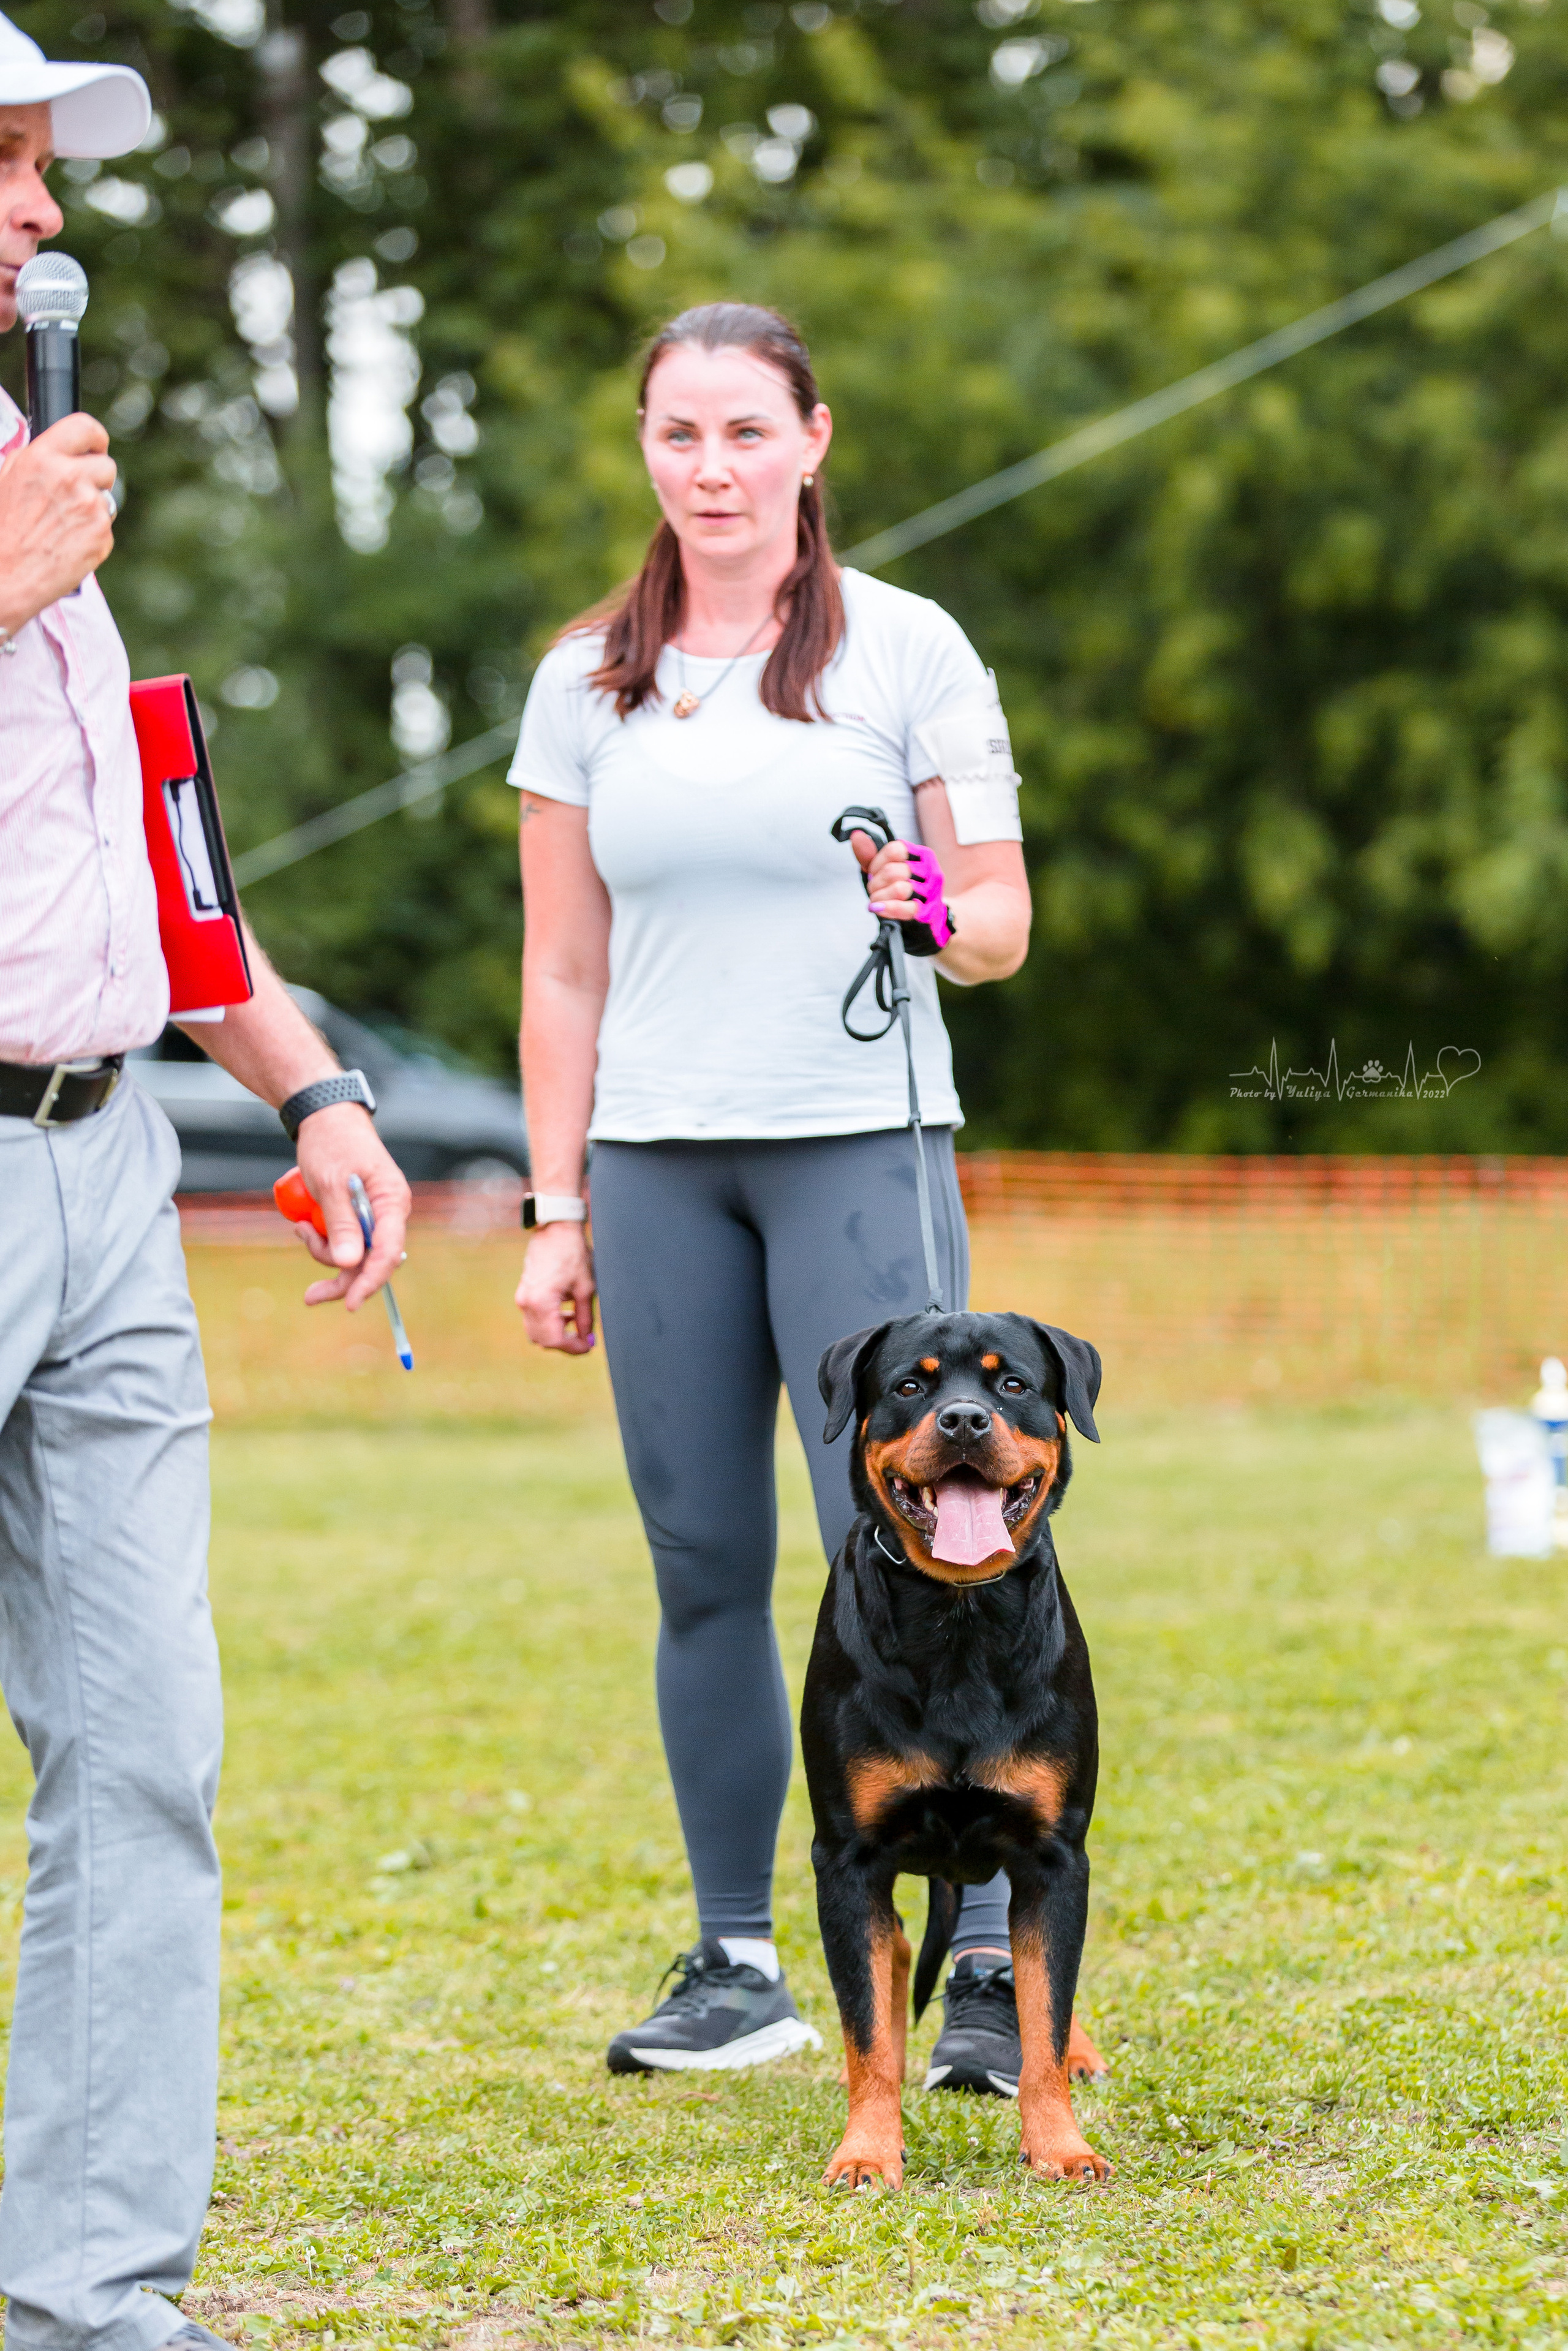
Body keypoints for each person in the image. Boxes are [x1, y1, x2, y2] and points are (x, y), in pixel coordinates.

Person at [0, 18, 412, 2348]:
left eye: (48, 173)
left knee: (148, 1755)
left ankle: (95, 2306)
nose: (47, 217)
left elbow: (159, 851)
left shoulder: (44, 476)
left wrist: (312, 1082)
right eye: (8, 169)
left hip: (110, 1175)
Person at [513, 301, 1043, 2094]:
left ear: (816, 440)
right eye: (680, 435)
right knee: (703, 1562)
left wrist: (929, 911)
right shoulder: (588, 676)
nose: (713, 468)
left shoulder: (909, 651)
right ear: (646, 452)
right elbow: (562, 971)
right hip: (658, 1165)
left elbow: (999, 926)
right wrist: (555, 1210)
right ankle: (739, 1957)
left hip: (857, 1143)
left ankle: (985, 1957)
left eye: (748, 432)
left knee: (929, 1536)